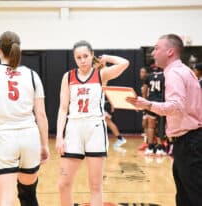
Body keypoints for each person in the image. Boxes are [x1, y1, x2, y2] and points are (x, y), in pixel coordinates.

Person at [127, 34, 202, 206]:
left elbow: (175, 106)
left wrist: (147, 104)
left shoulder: (175, 73)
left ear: (170, 51)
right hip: (190, 141)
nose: (153, 53)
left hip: (189, 142)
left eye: (156, 48)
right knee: (186, 196)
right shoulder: (185, 71)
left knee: (193, 196)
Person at [0, 31, 49, 206]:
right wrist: (45, 144)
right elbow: (41, 114)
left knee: (5, 199)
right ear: (19, 49)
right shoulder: (32, 75)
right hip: (29, 138)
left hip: (3, 138)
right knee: (28, 195)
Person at [56, 40, 129, 206]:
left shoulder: (100, 74)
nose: (82, 60)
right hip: (73, 129)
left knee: (95, 186)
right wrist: (59, 136)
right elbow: (62, 108)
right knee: (63, 184)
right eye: (78, 57)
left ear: (92, 55)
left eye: (86, 56)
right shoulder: (68, 77)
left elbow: (125, 63)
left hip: (95, 129)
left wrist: (107, 58)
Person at [141, 67, 166, 156]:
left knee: (150, 126)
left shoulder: (149, 76)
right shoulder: (165, 76)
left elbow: (144, 90)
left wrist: (144, 103)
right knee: (160, 126)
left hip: (150, 103)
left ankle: (150, 146)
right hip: (161, 104)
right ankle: (160, 147)